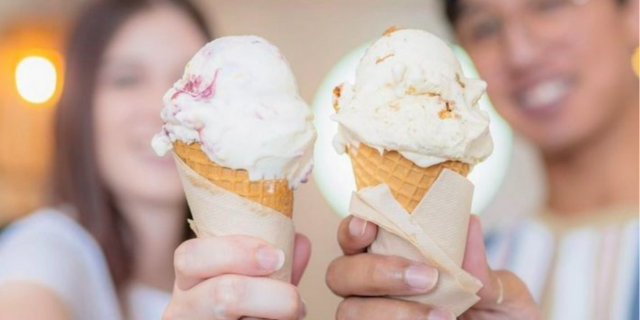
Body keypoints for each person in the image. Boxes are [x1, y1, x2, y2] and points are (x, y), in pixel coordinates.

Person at [326, 0, 638, 319]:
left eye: (548, 6)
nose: (520, 54)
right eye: (484, 28)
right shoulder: (465, 276)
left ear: (633, 12)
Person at [0, 1, 310, 319]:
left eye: (185, 81)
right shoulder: (44, 247)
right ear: (80, 109)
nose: (160, 107)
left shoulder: (230, 271)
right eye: (126, 79)